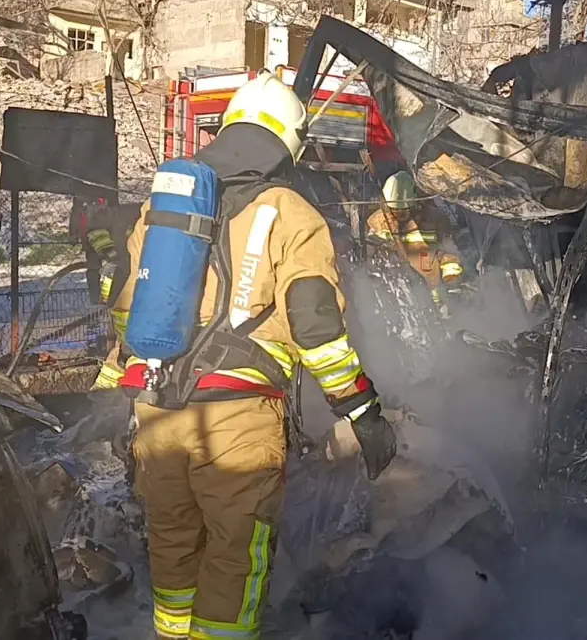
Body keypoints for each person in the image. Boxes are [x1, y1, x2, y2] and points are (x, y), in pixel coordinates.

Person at [112, 72, 397, 640]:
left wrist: (119, 396)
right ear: (288, 144)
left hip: (157, 411)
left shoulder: (160, 210)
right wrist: (362, 411)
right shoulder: (287, 209)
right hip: (236, 422)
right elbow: (315, 325)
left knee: (173, 543)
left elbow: (125, 310)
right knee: (236, 556)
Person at [366, 170, 465, 308]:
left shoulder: (435, 220)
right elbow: (371, 254)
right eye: (395, 210)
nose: (399, 214)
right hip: (397, 297)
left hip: (433, 297)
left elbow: (449, 254)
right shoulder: (378, 222)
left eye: (404, 210)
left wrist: (452, 284)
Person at [84, 199, 144, 391]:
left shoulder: (121, 218)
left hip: (122, 290)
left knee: (122, 345)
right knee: (127, 346)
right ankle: (107, 392)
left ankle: (104, 393)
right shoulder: (142, 215)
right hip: (127, 290)